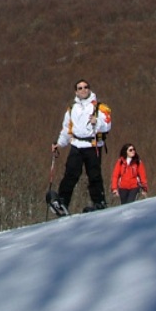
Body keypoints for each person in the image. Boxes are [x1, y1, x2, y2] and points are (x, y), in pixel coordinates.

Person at [50, 79, 112, 214]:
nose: (83, 90)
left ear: (89, 89)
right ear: (76, 91)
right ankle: (63, 201)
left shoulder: (99, 107)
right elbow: (67, 129)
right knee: (71, 174)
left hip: (93, 144)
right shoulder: (72, 109)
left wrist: (98, 122)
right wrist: (59, 144)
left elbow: (107, 124)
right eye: (80, 88)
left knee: (94, 175)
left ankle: (99, 202)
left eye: (85, 87)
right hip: (77, 144)